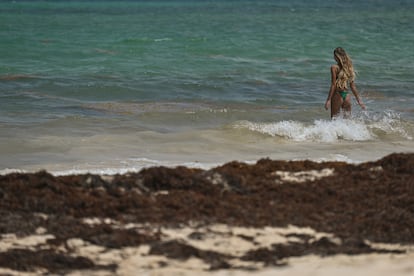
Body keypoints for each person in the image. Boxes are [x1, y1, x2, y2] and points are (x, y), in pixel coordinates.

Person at [325, 47, 366, 118]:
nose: (333, 57)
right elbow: (352, 86)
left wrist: (328, 100)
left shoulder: (334, 67)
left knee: (334, 120)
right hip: (347, 96)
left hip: (337, 95)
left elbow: (333, 84)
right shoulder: (349, 68)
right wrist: (359, 101)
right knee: (347, 121)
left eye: (334, 56)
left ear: (337, 56)